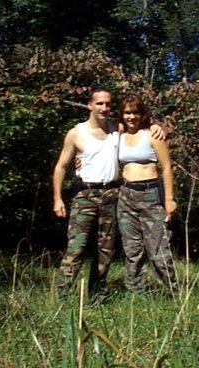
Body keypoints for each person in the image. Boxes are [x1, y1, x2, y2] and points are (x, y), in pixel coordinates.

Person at [52, 88, 164, 301]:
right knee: (76, 249)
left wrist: (155, 126)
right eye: (99, 104)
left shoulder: (116, 128)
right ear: (90, 105)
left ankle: (98, 295)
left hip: (112, 194)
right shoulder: (76, 133)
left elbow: (138, 127)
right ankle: (62, 297)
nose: (104, 108)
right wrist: (57, 198)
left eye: (108, 104)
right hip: (85, 195)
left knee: (106, 250)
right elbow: (60, 167)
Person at [117, 93, 178, 294]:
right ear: (122, 114)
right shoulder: (118, 135)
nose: (131, 117)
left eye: (135, 112)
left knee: (159, 249)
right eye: (127, 113)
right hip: (126, 196)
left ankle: (172, 293)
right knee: (132, 249)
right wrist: (80, 160)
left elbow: (167, 167)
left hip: (151, 194)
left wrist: (169, 199)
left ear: (142, 114)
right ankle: (137, 293)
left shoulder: (153, 135)